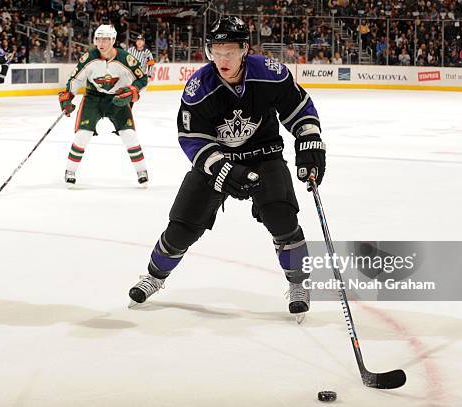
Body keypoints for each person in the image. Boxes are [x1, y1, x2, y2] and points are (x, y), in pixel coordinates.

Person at [128, 17, 326, 322]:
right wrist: (221, 168)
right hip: (218, 161)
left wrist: (310, 140)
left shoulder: (270, 73)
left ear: (245, 49)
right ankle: (155, 275)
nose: (223, 59)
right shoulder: (199, 87)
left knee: (282, 217)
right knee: (181, 227)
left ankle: (298, 283)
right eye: (216, 51)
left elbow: (298, 108)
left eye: (230, 51)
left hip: (265, 157)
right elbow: (192, 138)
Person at [58, 25, 149, 186]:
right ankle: (70, 170)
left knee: (129, 135)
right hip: (93, 99)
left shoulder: (125, 58)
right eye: (99, 38)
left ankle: (141, 171)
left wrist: (131, 90)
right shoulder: (89, 57)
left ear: (113, 40)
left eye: (106, 39)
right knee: (82, 134)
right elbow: (76, 79)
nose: (102, 42)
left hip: (117, 99)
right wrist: (68, 96)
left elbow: (142, 79)